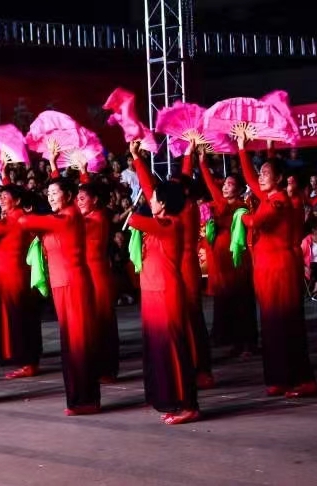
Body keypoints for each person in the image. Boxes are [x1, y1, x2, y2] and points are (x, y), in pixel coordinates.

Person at [234, 126, 316, 398]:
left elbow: (257, 221)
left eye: (266, 172)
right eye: (261, 172)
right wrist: (242, 147)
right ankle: (279, 378)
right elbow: (249, 176)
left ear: (280, 178)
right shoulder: (269, 196)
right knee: (271, 325)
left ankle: (301, 380)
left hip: (281, 269)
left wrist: (242, 216)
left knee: (286, 324)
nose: (260, 176)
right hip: (268, 270)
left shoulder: (279, 200)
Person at [20, 165, 101, 416]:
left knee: (79, 342)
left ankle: (87, 400)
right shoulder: (58, 217)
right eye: (48, 194)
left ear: (68, 195)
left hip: (74, 284)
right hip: (60, 285)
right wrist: (54, 167)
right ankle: (77, 399)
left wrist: (23, 211)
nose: (51, 197)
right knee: (70, 343)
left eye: (55, 193)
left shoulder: (69, 216)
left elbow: (24, 221)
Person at [131, 141, 213, 389]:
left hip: (184, 267)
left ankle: (198, 369)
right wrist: (137, 159)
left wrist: (189, 157)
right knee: (185, 320)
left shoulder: (184, 211)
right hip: (179, 265)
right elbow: (154, 190)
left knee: (190, 320)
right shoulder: (178, 207)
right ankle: (192, 370)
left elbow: (156, 190)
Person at [128, 180, 199, 425]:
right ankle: (169, 400)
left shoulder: (172, 224)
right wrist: (138, 161)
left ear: (164, 203)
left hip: (166, 292)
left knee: (174, 350)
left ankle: (188, 405)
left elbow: (134, 220)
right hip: (151, 292)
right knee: (158, 350)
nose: (150, 200)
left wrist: (135, 208)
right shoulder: (159, 223)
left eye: (154, 198)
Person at [197, 148, 258, 356]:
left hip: (237, 261)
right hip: (220, 262)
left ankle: (247, 343)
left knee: (242, 301)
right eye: (224, 184)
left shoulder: (241, 207)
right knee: (225, 301)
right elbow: (209, 186)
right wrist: (202, 162)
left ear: (239, 189)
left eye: (230, 184)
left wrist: (203, 164)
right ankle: (230, 341)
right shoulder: (218, 205)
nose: (225, 187)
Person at [0, 184, 42, 379]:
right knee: (22, 317)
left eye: (5, 196)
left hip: (13, 276)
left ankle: (27, 362)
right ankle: (28, 360)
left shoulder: (11, 220)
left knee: (19, 318)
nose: (1, 200)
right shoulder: (20, 217)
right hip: (16, 275)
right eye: (0, 197)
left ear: (17, 200)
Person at [75, 176, 119, 383]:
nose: (78, 202)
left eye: (82, 198)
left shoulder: (97, 218)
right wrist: (83, 173)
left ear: (95, 200)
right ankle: (96, 366)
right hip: (86, 275)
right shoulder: (89, 214)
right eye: (76, 198)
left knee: (103, 322)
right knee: (90, 323)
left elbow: (70, 218)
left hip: (98, 276)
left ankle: (107, 369)